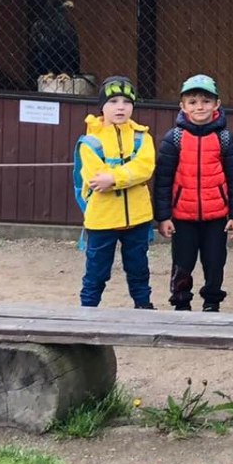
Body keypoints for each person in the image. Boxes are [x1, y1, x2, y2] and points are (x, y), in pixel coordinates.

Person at [151, 74, 233, 312]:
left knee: (215, 261)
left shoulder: (225, 138)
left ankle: (212, 302)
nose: (199, 107)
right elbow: (163, 181)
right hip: (182, 217)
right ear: (182, 106)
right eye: (192, 102)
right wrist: (163, 217)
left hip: (216, 217)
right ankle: (181, 302)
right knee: (182, 262)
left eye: (206, 101)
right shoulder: (174, 138)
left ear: (217, 104)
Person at [75, 76, 157, 309]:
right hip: (102, 220)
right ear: (102, 106)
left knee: (139, 269)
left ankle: (143, 307)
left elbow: (145, 168)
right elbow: (95, 178)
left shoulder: (143, 137)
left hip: (138, 218)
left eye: (126, 101)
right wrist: (127, 177)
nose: (120, 107)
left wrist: (113, 178)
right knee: (96, 271)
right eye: (113, 102)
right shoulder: (90, 142)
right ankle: (87, 311)